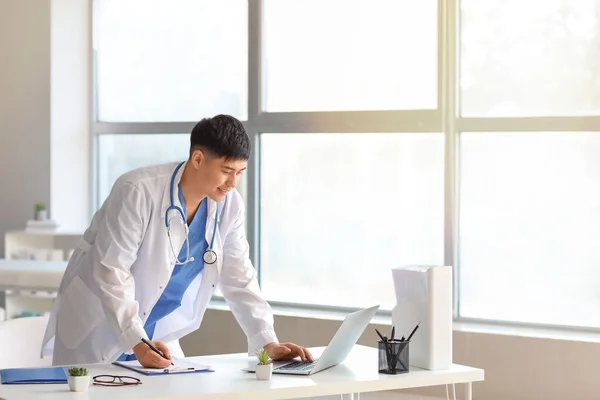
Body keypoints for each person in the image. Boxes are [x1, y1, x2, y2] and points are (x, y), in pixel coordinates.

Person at [41, 114, 312, 368]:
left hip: (157, 329)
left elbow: (239, 274)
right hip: (100, 323)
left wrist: (268, 340)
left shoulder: (228, 206)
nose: (233, 182)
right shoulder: (138, 191)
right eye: (227, 170)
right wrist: (136, 340)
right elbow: (111, 270)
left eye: (240, 172)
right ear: (197, 158)